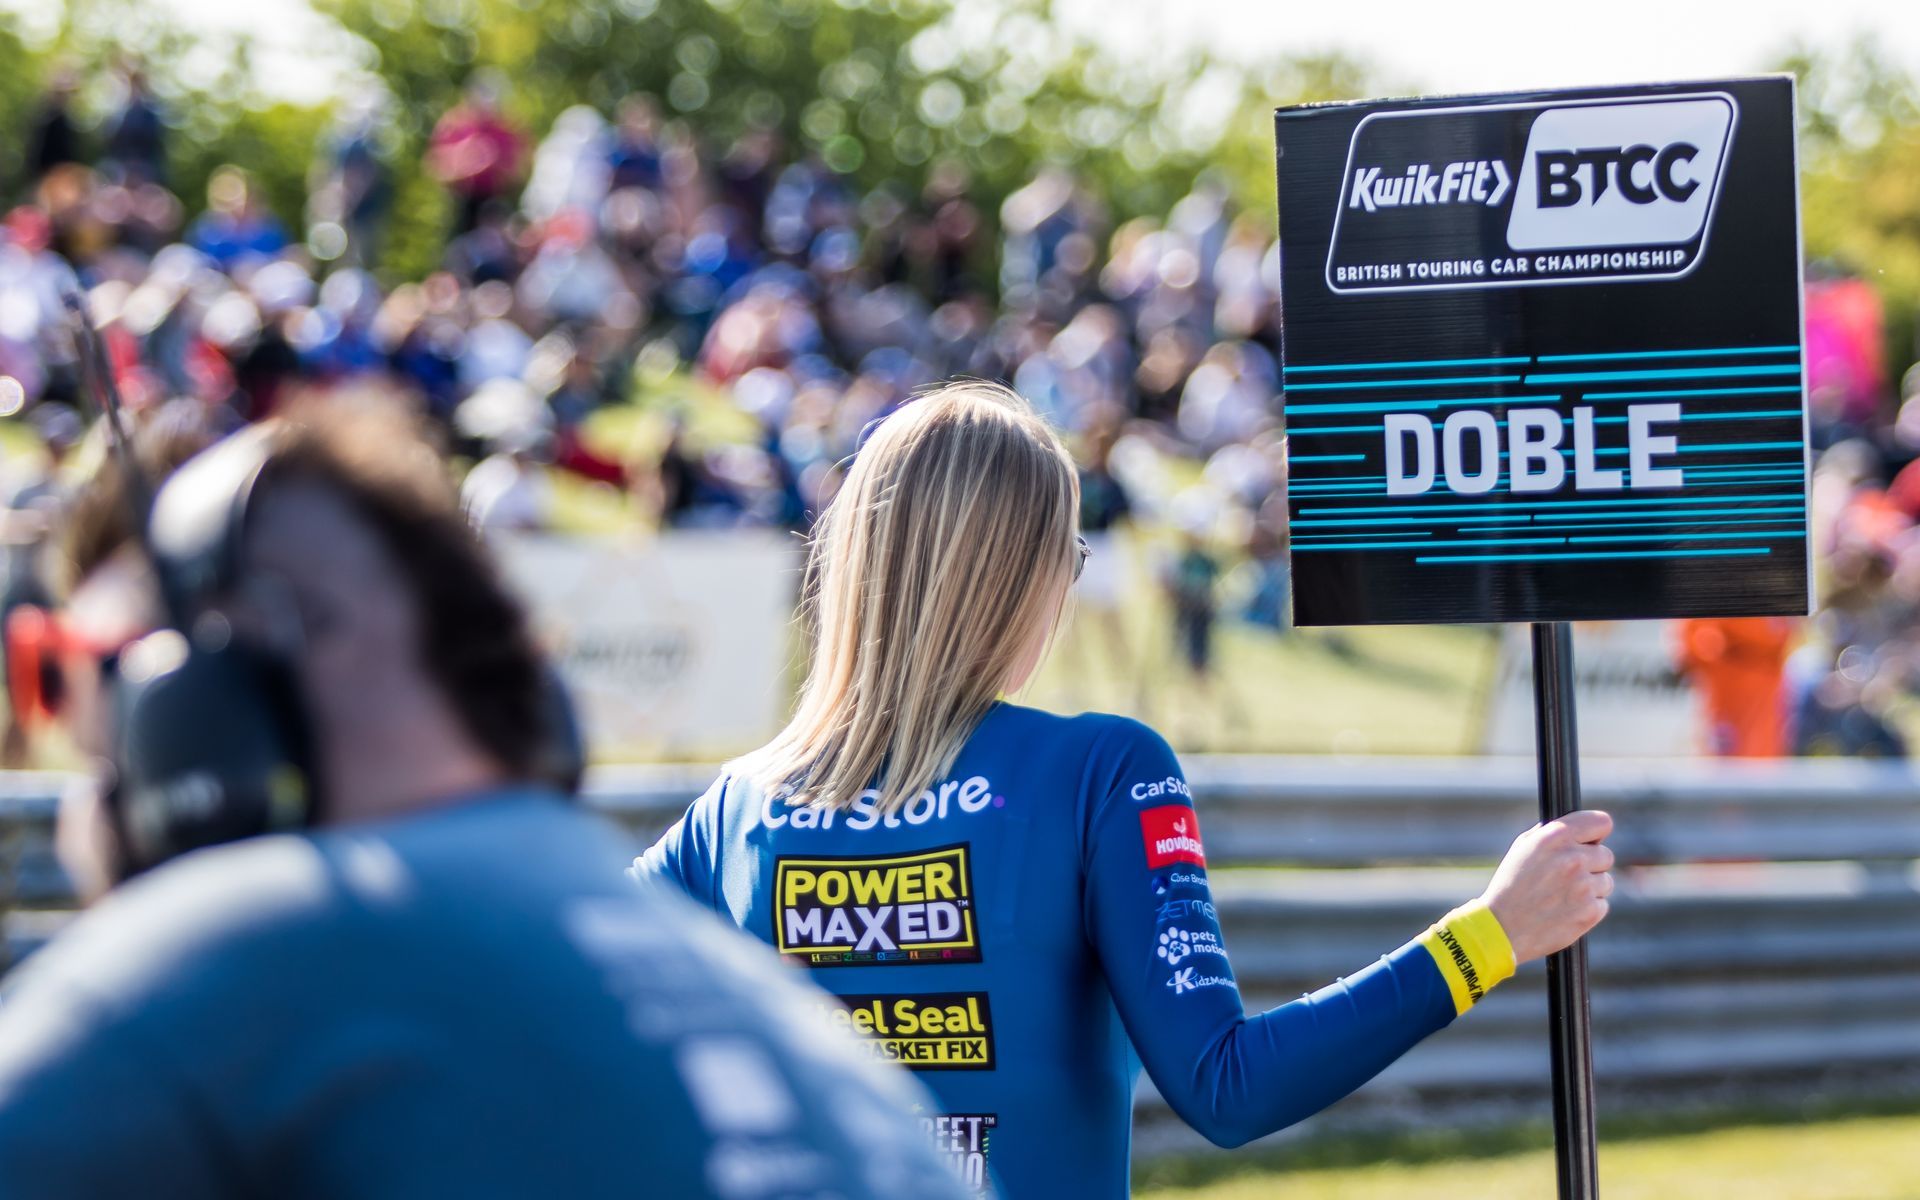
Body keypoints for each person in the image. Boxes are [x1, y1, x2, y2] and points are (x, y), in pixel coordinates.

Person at [633, 381, 1617, 1198]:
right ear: (1011, 576)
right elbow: (1228, 1086)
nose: (1067, 589)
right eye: (1068, 556)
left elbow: (568, 994)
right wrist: (1491, 934)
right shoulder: (1101, 771)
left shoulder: (737, 808)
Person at [0, 398, 966, 1200]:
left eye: (76, 684)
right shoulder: (808, 1045)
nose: (87, 794)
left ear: (196, 728)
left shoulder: (216, 975)